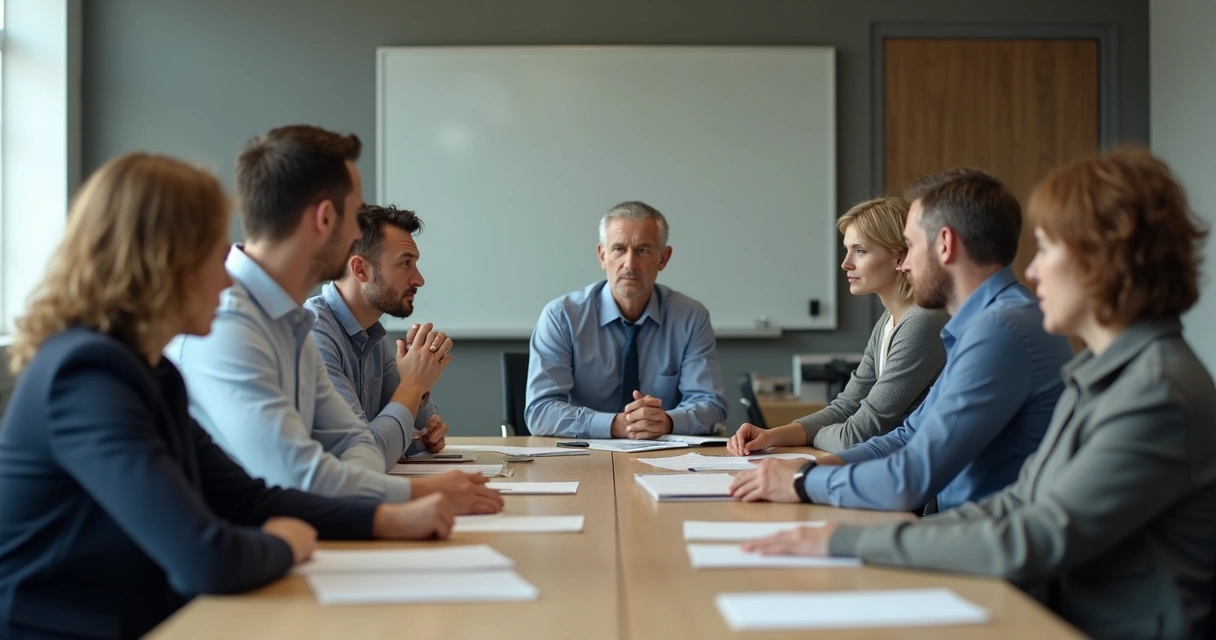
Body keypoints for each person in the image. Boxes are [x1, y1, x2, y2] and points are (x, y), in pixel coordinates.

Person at [740, 147, 1216, 640]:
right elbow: (1019, 502)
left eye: (1047, 249)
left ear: (1103, 259)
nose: (1031, 272)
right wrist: (848, 534)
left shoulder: (1154, 391)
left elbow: (1034, 536)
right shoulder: (1103, 372)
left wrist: (844, 536)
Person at [0, 154, 457, 640]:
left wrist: (386, 518)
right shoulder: (87, 375)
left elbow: (248, 496)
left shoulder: (150, 373)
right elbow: (205, 557)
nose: (226, 279)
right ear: (162, 262)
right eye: (213, 255)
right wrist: (284, 542)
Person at [166, 125, 501, 515]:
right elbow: (295, 475)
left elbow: (354, 446)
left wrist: (375, 495)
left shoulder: (290, 323)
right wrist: (418, 497)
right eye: (356, 216)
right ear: (326, 218)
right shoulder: (226, 323)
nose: (360, 234)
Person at [730, 168, 1073, 513]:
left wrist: (802, 481)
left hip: (980, 540)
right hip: (963, 527)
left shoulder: (999, 330)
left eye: (909, 246)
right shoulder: (983, 322)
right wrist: (807, 470)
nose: (904, 263)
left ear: (945, 244)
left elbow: (911, 477)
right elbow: (907, 436)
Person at [728, 196, 948, 455]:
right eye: (847, 249)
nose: (846, 263)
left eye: (860, 251)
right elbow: (845, 407)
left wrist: (816, 435)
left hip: (919, 487)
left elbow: (855, 435)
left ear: (899, 257)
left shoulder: (923, 322)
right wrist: (770, 436)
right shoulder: (887, 323)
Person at [525, 201, 727, 439]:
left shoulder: (691, 318)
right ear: (602, 256)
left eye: (642, 250)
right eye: (619, 249)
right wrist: (614, 425)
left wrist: (668, 421)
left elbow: (711, 404)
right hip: (582, 454)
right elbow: (540, 412)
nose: (630, 264)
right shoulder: (562, 317)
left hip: (662, 456)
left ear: (663, 258)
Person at [305, 205, 448, 455]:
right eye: (405, 263)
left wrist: (420, 409)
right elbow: (364, 455)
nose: (419, 279)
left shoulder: (372, 336)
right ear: (360, 269)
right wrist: (413, 384)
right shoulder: (314, 335)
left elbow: (417, 436)